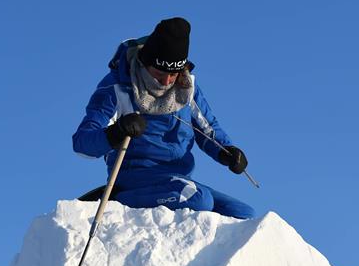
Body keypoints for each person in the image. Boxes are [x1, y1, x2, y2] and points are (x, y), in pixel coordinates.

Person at [72, 17, 254, 220]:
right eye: (159, 74)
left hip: (177, 178)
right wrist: (117, 131)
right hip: (134, 177)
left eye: (173, 74)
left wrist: (227, 152)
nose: (166, 81)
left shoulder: (187, 89)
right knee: (199, 200)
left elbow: (208, 128)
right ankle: (117, 201)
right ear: (145, 62)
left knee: (243, 215)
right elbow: (82, 144)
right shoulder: (117, 88)